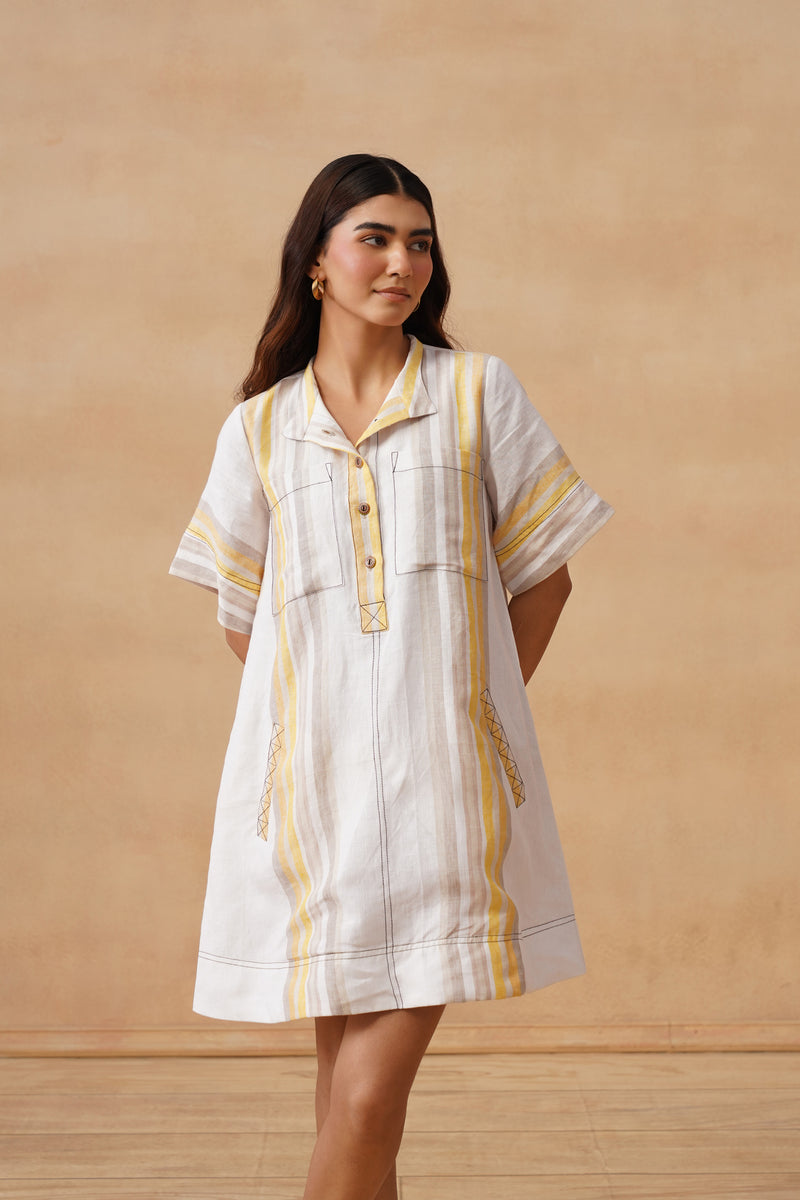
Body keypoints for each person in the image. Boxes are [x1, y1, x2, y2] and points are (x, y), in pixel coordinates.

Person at [170, 153, 613, 1200]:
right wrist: (328, 716)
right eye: (374, 238)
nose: (402, 262)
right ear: (316, 262)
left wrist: (465, 714)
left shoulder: (476, 391)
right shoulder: (260, 428)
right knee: (343, 1103)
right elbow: (249, 623)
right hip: (313, 804)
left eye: (419, 242)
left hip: (442, 795)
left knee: (365, 1104)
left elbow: (545, 581)